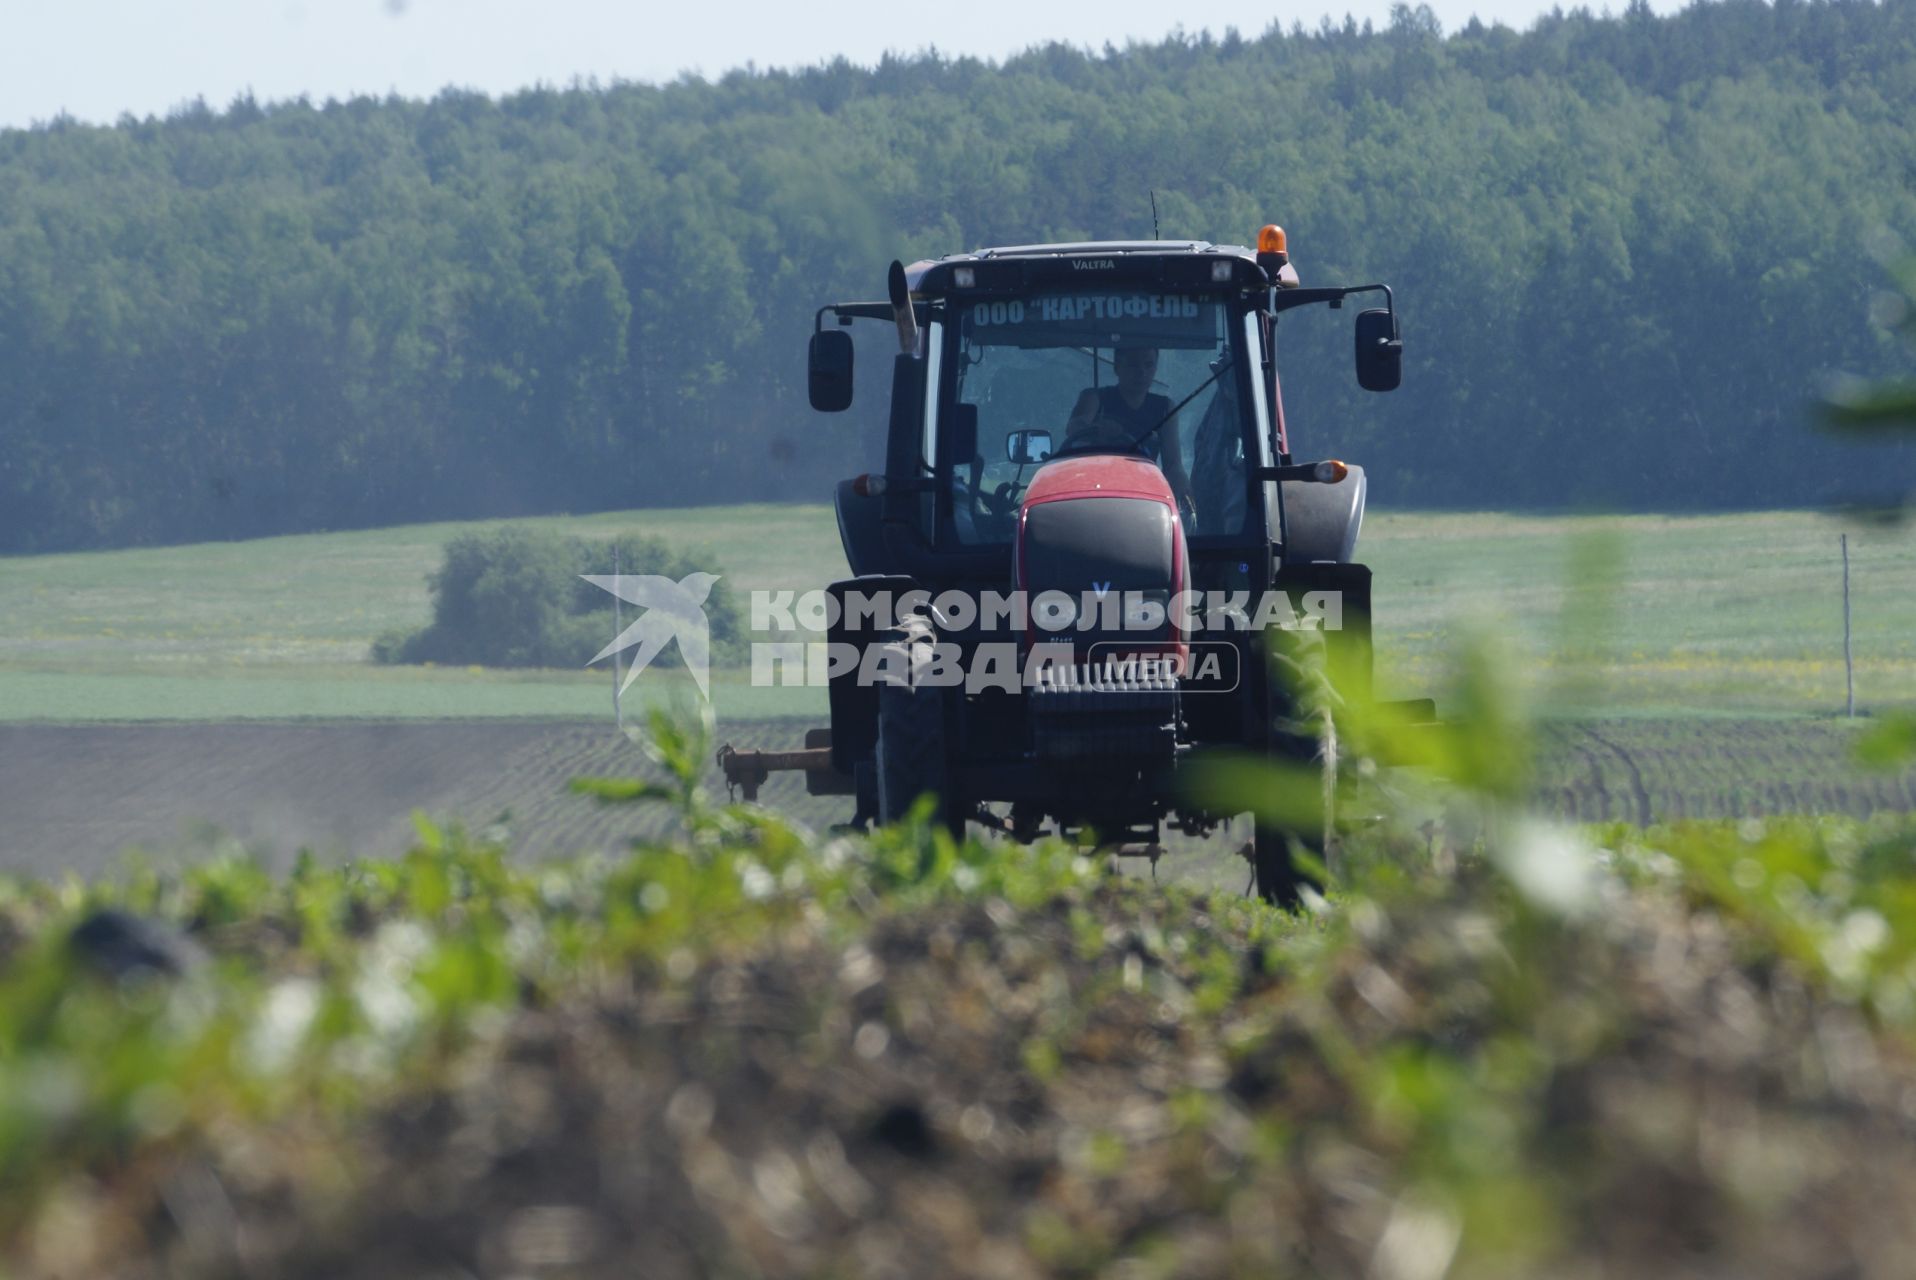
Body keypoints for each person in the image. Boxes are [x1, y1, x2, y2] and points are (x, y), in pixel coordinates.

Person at [1062, 346, 1195, 514]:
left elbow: (1173, 464)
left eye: (1149, 365)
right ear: (1117, 367)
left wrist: (1184, 493)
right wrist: (1097, 428)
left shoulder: (1164, 408)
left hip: (1145, 493)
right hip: (1094, 490)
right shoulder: (1096, 398)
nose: (1142, 372)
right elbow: (1075, 426)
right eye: (1133, 365)